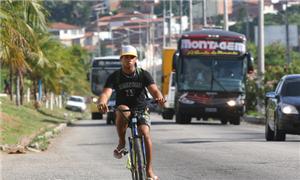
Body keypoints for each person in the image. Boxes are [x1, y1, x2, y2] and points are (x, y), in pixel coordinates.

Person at [97, 45, 165, 180]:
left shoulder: (143, 74)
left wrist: (159, 97)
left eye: (131, 57)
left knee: (145, 134)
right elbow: (106, 93)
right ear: (121, 59)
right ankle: (122, 142)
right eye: (126, 57)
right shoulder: (115, 77)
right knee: (122, 109)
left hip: (141, 109)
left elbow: (154, 90)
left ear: (136, 59)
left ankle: (149, 170)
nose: (129, 60)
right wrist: (102, 102)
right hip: (124, 109)